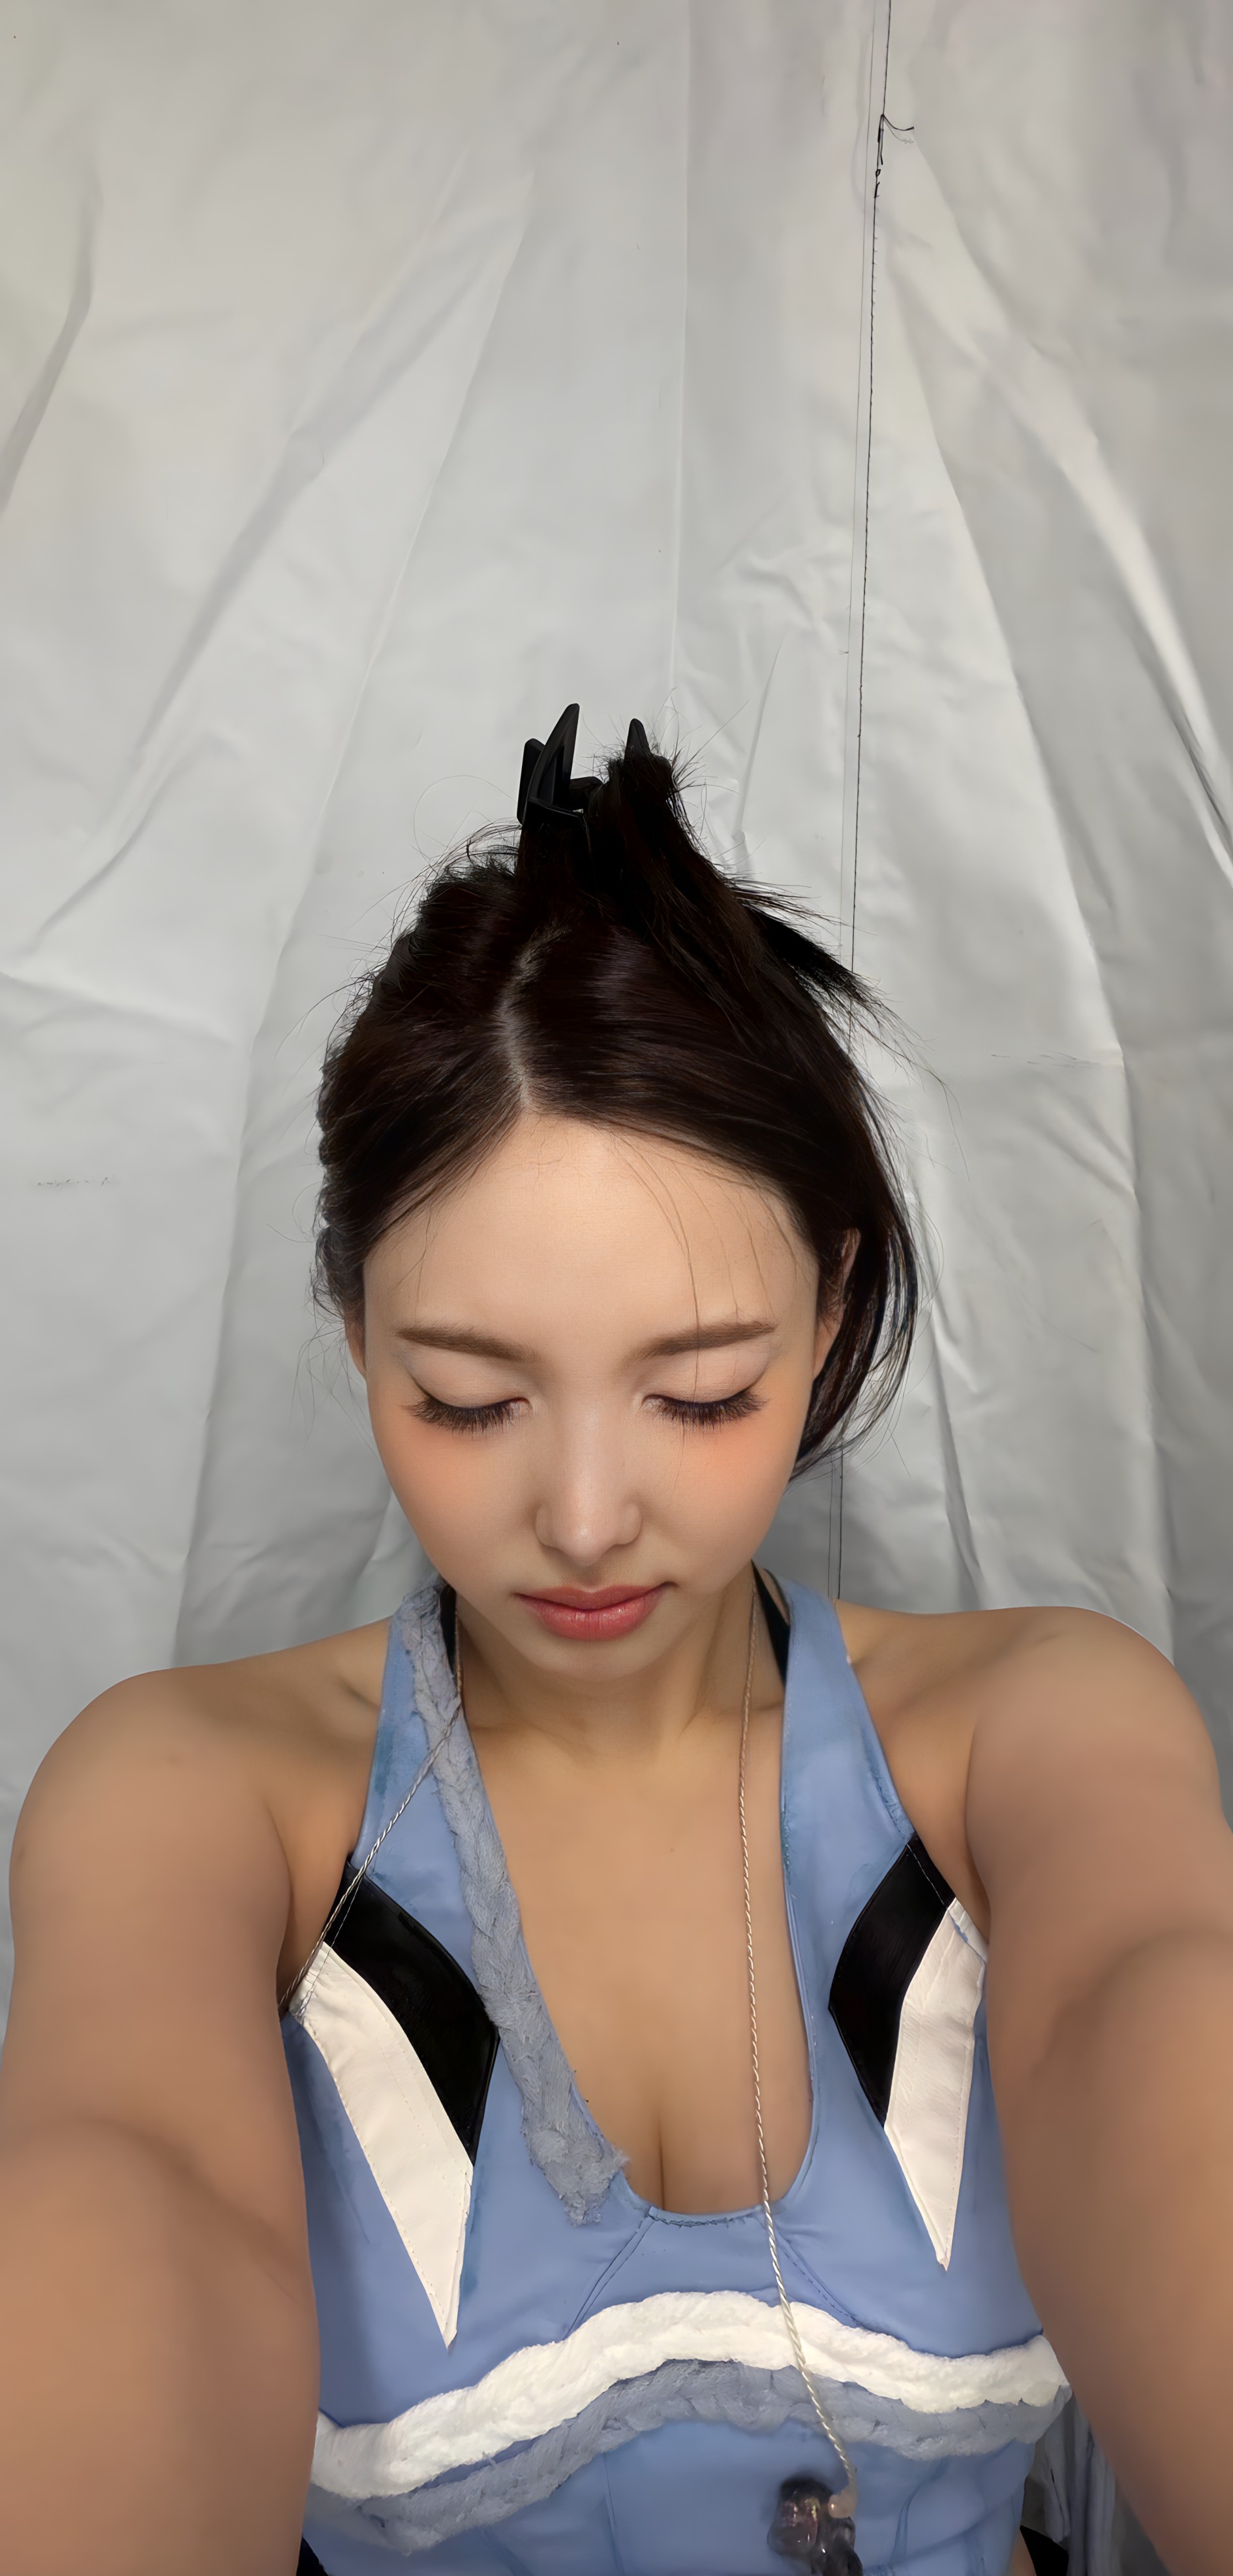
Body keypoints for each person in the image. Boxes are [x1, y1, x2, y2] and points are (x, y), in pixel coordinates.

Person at [1, 707, 1230, 2576]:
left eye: (701, 1393)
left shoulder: (1033, 1750)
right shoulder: (201, 1811)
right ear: (353, 1327)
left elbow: (1156, 2025)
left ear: (828, 1312)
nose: (582, 1519)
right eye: (469, 1400)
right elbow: (121, 2197)